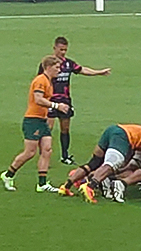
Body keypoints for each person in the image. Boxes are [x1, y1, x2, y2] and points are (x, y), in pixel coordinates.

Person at [0, 55, 69, 193]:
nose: (59, 70)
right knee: (30, 152)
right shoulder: (40, 81)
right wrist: (57, 106)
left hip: (42, 120)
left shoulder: (49, 81)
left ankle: (42, 183)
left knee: (47, 149)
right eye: (56, 67)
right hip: (32, 120)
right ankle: (8, 175)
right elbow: (38, 99)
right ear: (48, 67)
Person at [39, 37, 111, 165]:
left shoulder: (68, 63)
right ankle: (44, 156)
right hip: (50, 101)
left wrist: (98, 72)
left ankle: (65, 156)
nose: (63, 52)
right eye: (61, 49)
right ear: (54, 48)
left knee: (65, 129)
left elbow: (82, 70)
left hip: (65, 101)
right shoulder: (47, 64)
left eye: (65, 50)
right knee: (47, 129)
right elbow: (40, 81)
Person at [58, 123, 141, 203]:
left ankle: (66, 186)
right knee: (112, 164)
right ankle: (90, 186)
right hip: (123, 135)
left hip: (113, 129)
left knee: (93, 163)